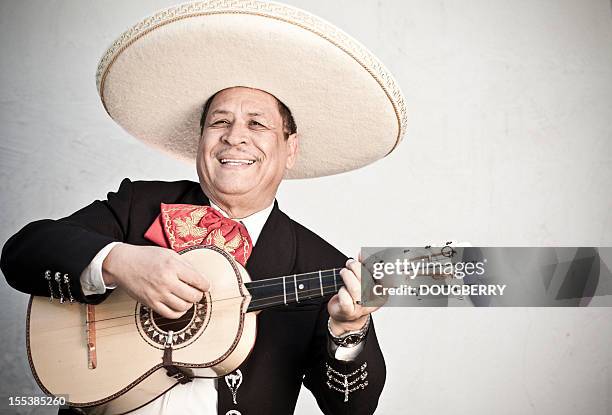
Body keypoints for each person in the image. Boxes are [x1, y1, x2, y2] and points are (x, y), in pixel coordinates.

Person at [1, 2, 407, 414]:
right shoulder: (139, 204)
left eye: (257, 124)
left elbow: (352, 410)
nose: (235, 138)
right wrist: (120, 262)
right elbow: (21, 253)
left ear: (291, 150)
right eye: (219, 121)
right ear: (200, 141)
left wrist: (349, 331)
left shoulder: (323, 264)